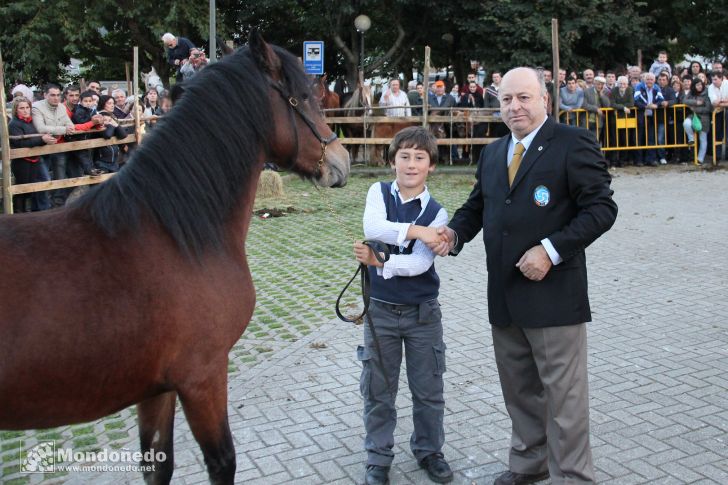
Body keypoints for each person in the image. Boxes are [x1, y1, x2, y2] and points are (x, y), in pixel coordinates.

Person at [430, 67, 617, 485]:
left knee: (564, 400)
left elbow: (602, 209)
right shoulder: (494, 153)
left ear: (545, 99)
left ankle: (572, 476)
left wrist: (550, 251)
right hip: (505, 296)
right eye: (507, 99)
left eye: (524, 98)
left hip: (553, 297)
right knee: (519, 392)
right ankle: (529, 464)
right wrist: (453, 234)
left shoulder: (572, 143)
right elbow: (477, 207)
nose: (515, 106)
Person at [353, 126, 453, 485]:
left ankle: (429, 451)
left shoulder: (438, 215)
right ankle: (378, 457)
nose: (411, 164)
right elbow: (373, 226)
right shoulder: (377, 192)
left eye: (419, 158)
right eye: (404, 156)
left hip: (423, 313)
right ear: (392, 160)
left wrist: (381, 263)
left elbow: (419, 265)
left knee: (428, 390)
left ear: (431, 166)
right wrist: (416, 232)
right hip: (380, 310)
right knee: (378, 389)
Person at [8, 97, 55, 212]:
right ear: (16, 110)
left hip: (36, 158)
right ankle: (19, 215)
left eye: (27, 107)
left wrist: (46, 139)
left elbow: (39, 138)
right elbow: (20, 143)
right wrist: (42, 140)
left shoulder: (33, 121)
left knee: (43, 182)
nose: (25, 110)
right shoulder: (14, 124)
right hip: (21, 161)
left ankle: (39, 210)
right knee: (23, 190)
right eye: (22, 108)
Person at [32, 82, 76, 207]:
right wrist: (63, 130)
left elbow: (70, 125)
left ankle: (56, 205)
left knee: (61, 178)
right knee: (44, 179)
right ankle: (41, 208)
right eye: (52, 95)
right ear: (45, 95)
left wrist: (61, 129)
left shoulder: (62, 107)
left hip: (58, 146)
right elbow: (41, 128)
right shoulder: (36, 107)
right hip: (40, 148)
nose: (56, 98)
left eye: (58, 95)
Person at [633, 72, 664, 166]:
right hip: (641, 115)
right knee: (639, 138)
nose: (649, 81)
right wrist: (646, 106)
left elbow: (661, 99)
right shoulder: (639, 86)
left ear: (654, 80)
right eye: (648, 79)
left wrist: (656, 105)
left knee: (651, 138)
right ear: (644, 80)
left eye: (651, 79)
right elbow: (636, 100)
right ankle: (639, 160)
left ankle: (651, 159)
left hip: (652, 116)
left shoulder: (656, 87)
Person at [683, 77, 712, 165]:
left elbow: (708, 108)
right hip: (693, 116)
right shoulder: (691, 92)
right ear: (694, 86)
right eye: (697, 85)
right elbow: (685, 100)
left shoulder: (707, 92)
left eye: (700, 84)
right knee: (686, 123)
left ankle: (700, 159)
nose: (699, 86)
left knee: (703, 139)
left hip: (704, 118)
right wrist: (696, 102)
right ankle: (691, 139)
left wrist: (695, 109)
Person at [607, 75, 635, 166]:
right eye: (621, 83)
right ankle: (614, 161)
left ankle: (623, 161)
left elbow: (631, 103)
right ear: (617, 84)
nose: (622, 85)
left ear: (627, 84)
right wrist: (623, 107)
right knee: (614, 140)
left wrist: (618, 106)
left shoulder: (630, 90)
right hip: (615, 119)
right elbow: (612, 103)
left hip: (626, 119)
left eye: (624, 84)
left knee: (625, 139)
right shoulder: (614, 90)